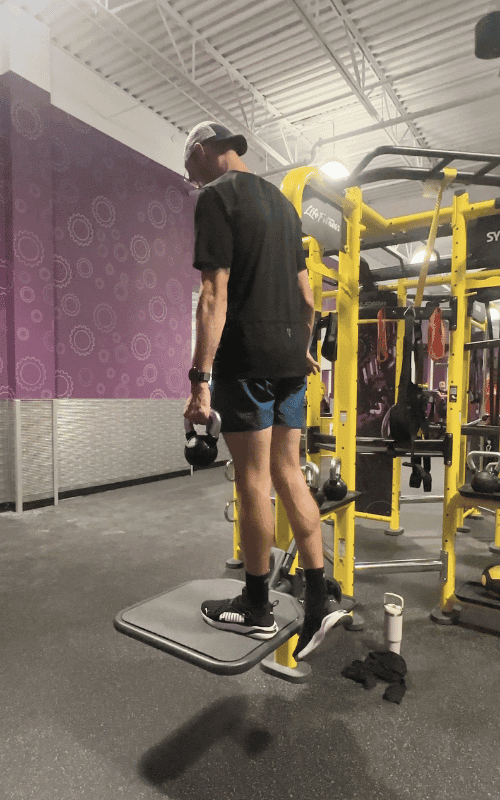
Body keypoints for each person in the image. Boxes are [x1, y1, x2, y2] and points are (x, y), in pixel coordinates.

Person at [183, 121, 346, 661]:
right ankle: (319, 598)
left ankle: (256, 606)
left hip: (246, 360)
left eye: (190, 166)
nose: (191, 177)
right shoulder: (282, 204)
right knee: (289, 471)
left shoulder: (216, 197)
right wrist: (302, 347)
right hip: (288, 364)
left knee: (253, 477)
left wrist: (200, 381)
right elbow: (308, 294)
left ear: (205, 153)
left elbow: (213, 294)